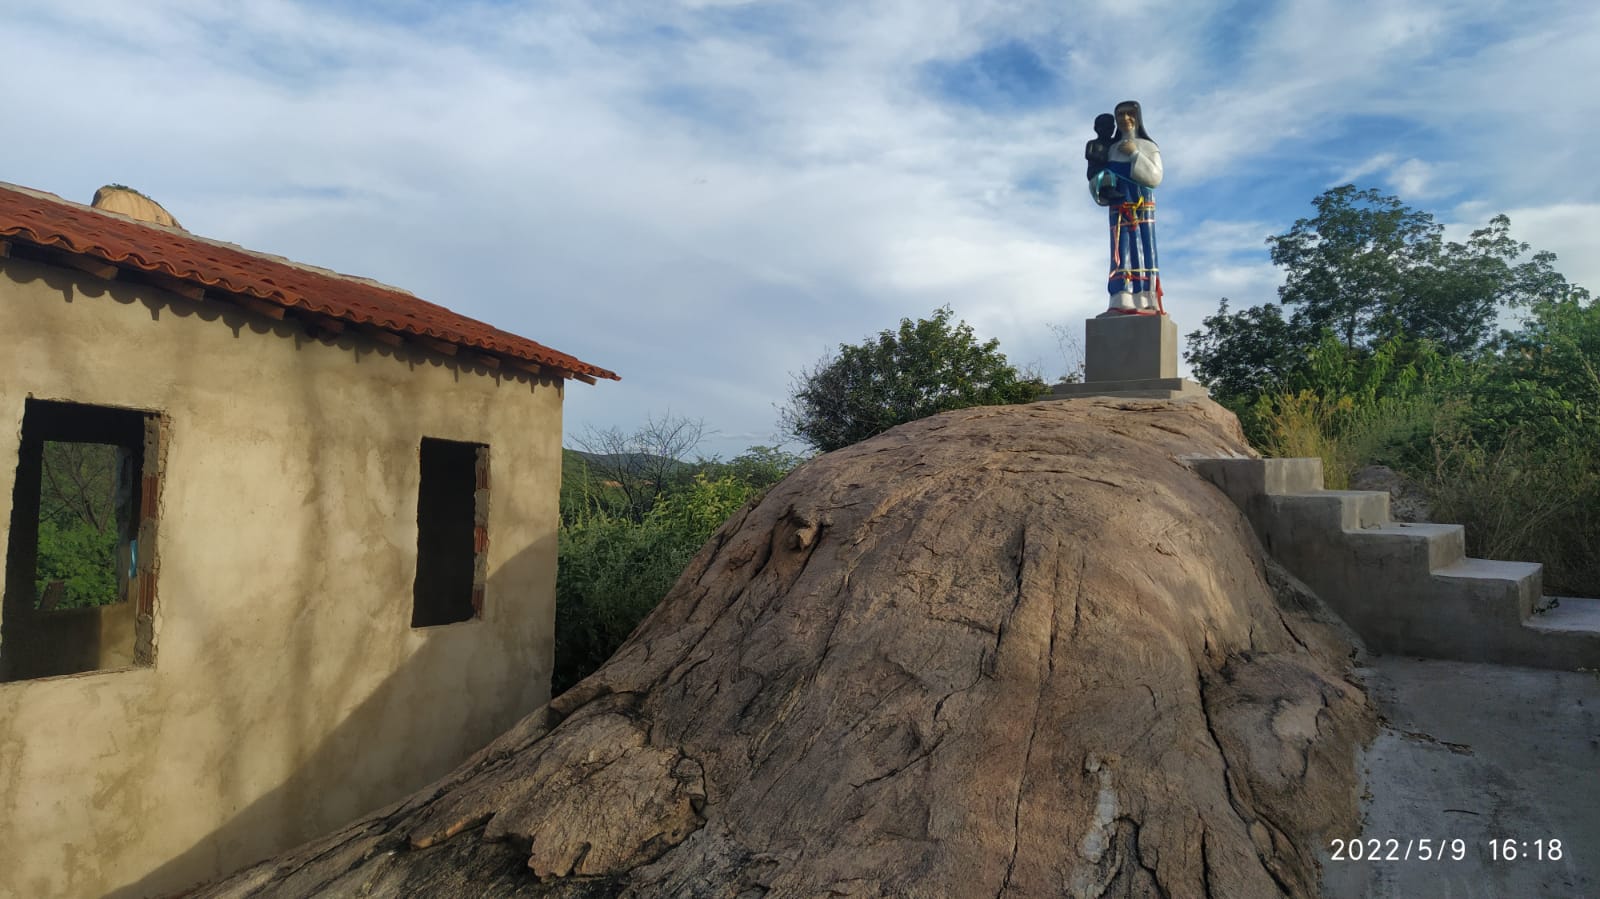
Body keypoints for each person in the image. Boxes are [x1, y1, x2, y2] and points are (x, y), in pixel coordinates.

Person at [1099, 101, 1163, 313]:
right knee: (1120, 248)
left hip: (1140, 202)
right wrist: (1102, 182)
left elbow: (1155, 177)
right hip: (1119, 204)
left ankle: (1146, 296)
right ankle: (1121, 297)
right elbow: (1098, 178)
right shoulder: (1111, 150)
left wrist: (1135, 153)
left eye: (1130, 114)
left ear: (1138, 117)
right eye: (1120, 115)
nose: (1125, 119)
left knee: (1144, 246)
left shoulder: (1148, 146)